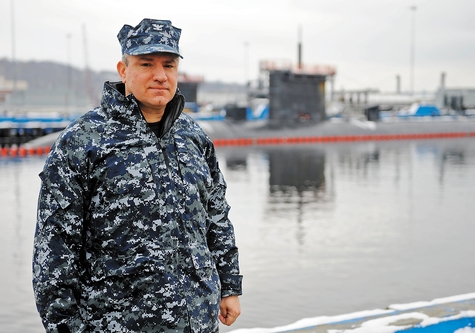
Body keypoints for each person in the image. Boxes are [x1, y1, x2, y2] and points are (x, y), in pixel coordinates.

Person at [32, 18, 242, 333]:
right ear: (123, 70)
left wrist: (230, 286)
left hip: (197, 320)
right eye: (146, 64)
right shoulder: (83, 141)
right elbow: (55, 247)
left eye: (169, 66)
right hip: (118, 325)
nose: (160, 75)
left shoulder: (195, 137)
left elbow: (216, 217)